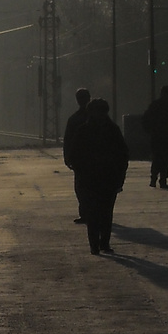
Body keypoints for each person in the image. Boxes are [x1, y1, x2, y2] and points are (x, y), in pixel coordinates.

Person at [64, 97, 128, 255]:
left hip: (97, 178)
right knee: (101, 212)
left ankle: (99, 244)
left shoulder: (85, 130)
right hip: (101, 178)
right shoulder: (111, 130)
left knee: (99, 212)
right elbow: (123, 155)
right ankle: (100, 244)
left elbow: (122, 155)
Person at [63, 87, 92, 223]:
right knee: (93, 187)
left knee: (81, 188)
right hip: (94, 159)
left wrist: (67, 157)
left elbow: (68, 140)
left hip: (80, 160)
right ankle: (93, 212)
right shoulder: (97, 118)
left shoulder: (74, 119)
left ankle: (85, 213)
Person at [141, 85, 168, 188]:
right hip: (166, 136)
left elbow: (145, 119)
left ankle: (154, 179)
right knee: (165, 159)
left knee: (157, 158)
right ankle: (163, 179)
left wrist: (149, 130)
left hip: (156, 136)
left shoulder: (154, 105)